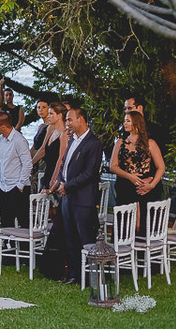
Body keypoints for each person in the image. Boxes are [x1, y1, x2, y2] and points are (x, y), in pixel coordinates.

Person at [54, 102, 103, 284]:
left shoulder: (93, 143)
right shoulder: (73, 140)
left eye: (70, 119)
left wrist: (68, 185)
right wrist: (60, 180)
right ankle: (74, 274)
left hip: (83, 199)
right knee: (70, 236)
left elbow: (90, 173)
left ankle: (92, 277)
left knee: (85, 238)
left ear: (81, 119)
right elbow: (64, 163)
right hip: (68, 197)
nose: (67, 123)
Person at [110, 109, 164, 236]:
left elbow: (161, 167)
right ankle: (124, 252)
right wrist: (129, 176)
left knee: (142, 224)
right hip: (126, 186)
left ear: (136, 123)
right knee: (126, 225)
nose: (125, 123)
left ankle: (142, 253)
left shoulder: (150, 143)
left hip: (144, 187)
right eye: (124, 121)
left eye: (128, 121)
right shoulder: (120, 142)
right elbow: (113, 166)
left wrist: (152, 185)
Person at [0, 111, 33, 231]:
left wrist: (20, 185)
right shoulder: (0, 139)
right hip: (4, 186)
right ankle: (8, 247)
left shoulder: (19, 140)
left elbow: (27, 164)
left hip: (17, 186)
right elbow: (0, 161)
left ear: (3, 126)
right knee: (6, 221)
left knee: (23, 220)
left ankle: (25, 248)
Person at [36, 101, 67, 193]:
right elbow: (42, 150)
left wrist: (54, 179)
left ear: (59, 115)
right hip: (47, 172)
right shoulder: (52, 131)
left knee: (51, 205)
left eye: (51, 114)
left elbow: (61, 159)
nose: (48, 116)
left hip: (55, 175)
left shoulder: (63, 134)